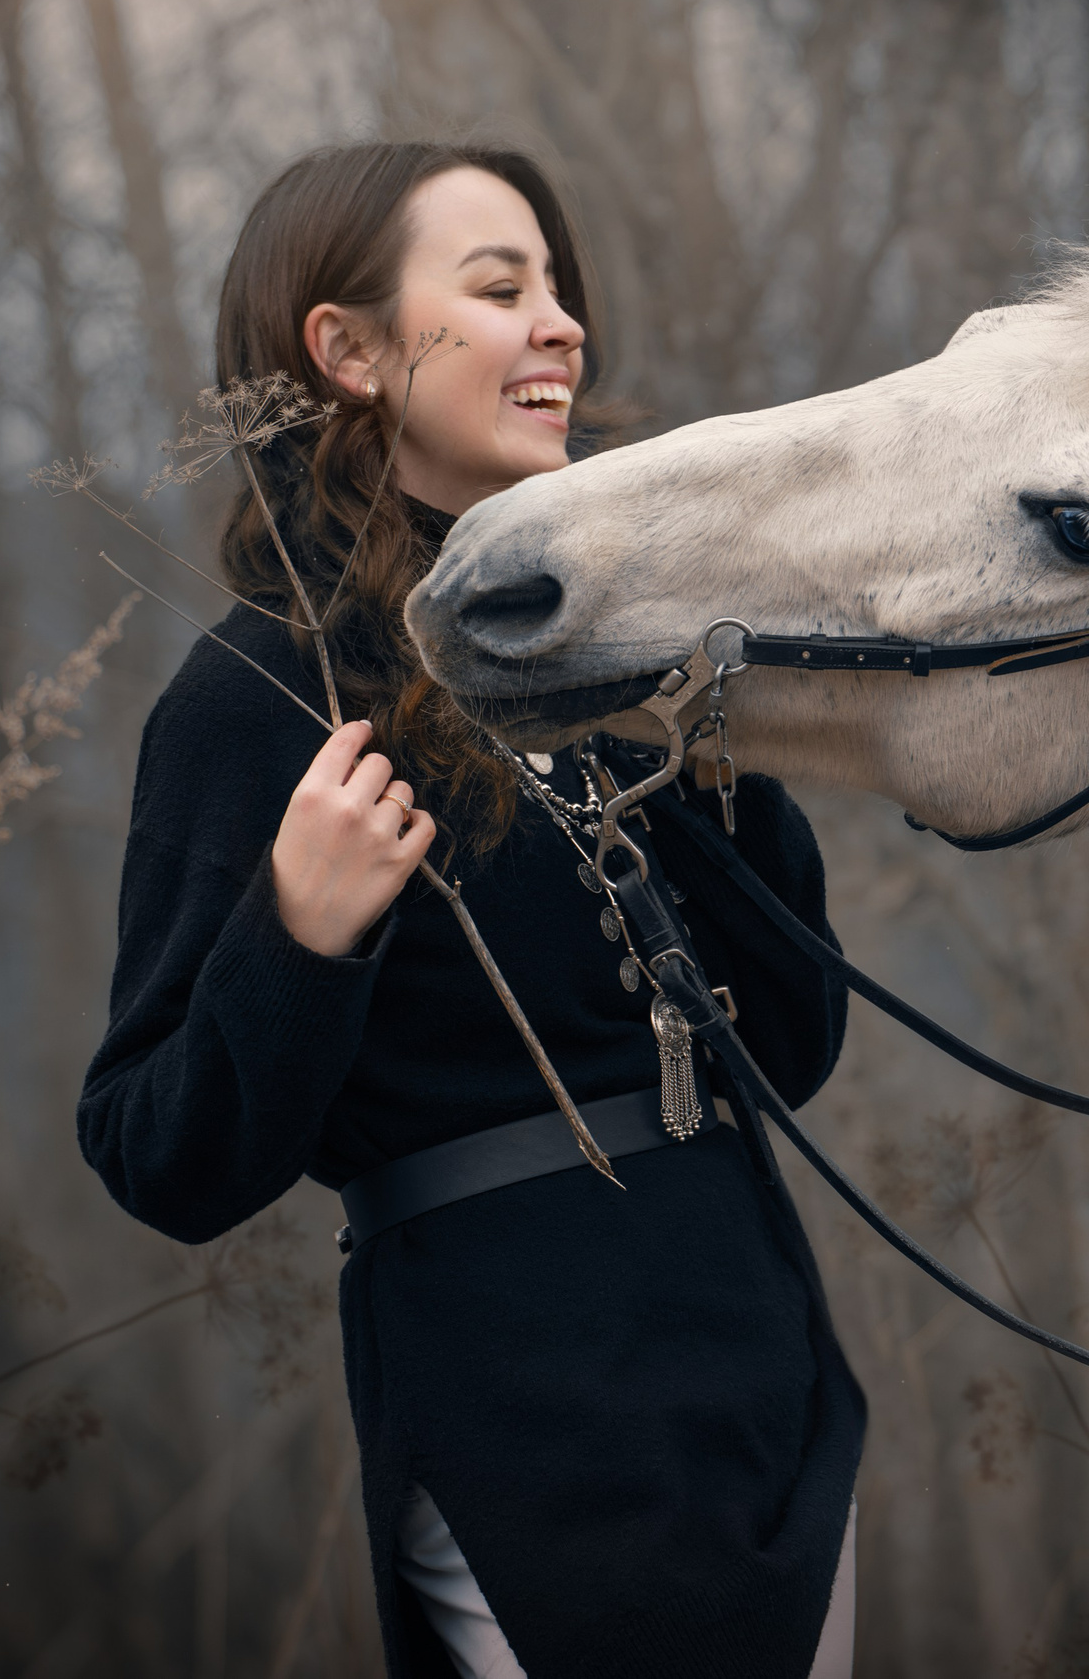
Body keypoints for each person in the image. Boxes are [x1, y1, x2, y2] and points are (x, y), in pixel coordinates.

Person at [76, 140, 864, 1679]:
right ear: (350, 351)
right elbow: (156, 1151)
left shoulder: (622, 654)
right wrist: (293, 937)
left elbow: (795, 1040)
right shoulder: (255, 704)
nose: (561, 324)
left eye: (558, 288)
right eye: (502, 288)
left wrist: (724, 763)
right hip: (518, 1419)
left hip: (764, 1390)